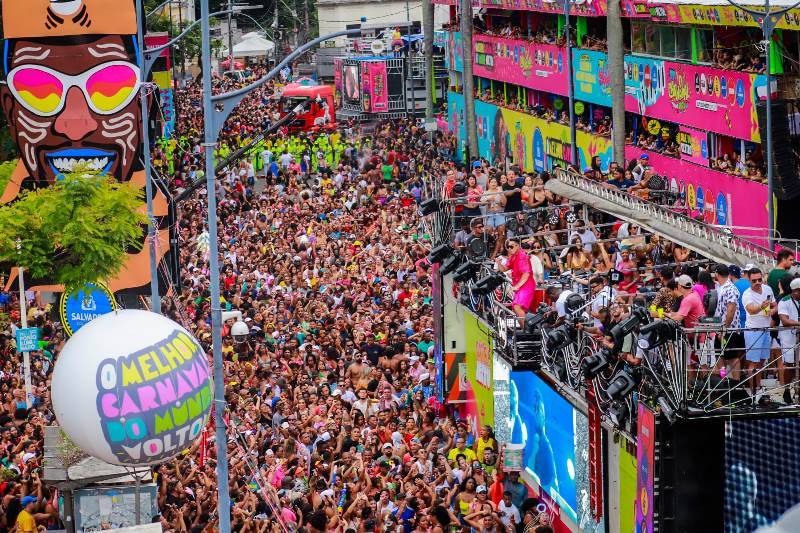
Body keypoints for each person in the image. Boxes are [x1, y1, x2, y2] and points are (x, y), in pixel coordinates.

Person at [741, 268, 777, 396]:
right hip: (753, 330)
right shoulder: (746, 294)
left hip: (765, 329)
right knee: (753, 362)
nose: (757, 282)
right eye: (754, 280)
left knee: (762, 361)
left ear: (762, 278)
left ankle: (759, 389)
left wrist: (772, 311)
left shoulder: (768, 289)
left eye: (759, 279)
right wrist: (761, 307)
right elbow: (750, 310)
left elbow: (775, 304)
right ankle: (753, 391)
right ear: (749, 280)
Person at [496, 239, 538, 320]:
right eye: (508, 247)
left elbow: (526, 273)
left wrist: (517, 286)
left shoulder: (522, 256)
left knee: (517, 307)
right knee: (516, 309)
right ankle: (525, 328)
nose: (509, 249)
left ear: (517, 246)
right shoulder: (513, 256)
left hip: (526, 287)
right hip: (519, 287)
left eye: (511, 247)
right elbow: (504, 269)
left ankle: (526, 330)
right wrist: (499, 263)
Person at [777, 277, 800, 403]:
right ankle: (786, 391)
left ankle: (798, 391)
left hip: (798, 336)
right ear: (795, 290)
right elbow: (785, 321)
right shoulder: (784, 302)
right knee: (790, 365)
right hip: (788, 337)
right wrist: (798, 323)